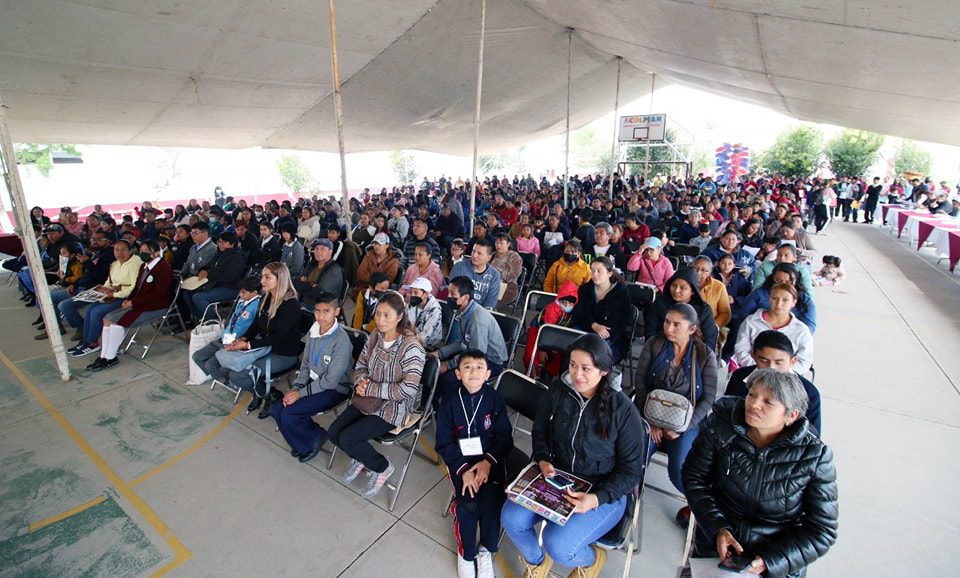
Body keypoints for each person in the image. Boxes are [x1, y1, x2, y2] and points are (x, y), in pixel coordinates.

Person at [502, 335, 646, 578]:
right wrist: (543, 458)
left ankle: (591, 561)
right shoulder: (560, 390)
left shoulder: (622, 411)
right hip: (559, 478)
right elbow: (540, 431)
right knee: (511, 518)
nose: (577, 374)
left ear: (603, 370)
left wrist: (596, 499)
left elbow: (631, 472)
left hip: (603, 491)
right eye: (572, 364)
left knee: (557, 545)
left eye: (586, 368)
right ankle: (537, 562)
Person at [682, 369, 838, 577]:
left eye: (768, 402)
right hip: (718, 549)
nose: (754, 404)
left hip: (778, 560)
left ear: (791, 415)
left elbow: (822, 530)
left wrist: (770, 561)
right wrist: (718, 528)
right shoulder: (721, 427)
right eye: (752, 395)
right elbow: (694, 477)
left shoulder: (814, 456)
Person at [328, 291, 426, 498]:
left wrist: (370, 387)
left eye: (386, 315)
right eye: (377, 314)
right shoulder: (375, 336)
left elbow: (407, 389)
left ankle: (382, 467)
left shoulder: (411, 348)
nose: (380, 320)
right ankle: (362, 458)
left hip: (392, 409)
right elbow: (362, 364)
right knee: (334, 433)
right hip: (367, 400)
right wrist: (360, 383)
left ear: (400, 316)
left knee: (348, 438)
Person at [633, 303, 718, 527]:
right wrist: (650, 423)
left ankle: (702, 506)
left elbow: (708, 398)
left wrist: (683, 427)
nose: (669, 328)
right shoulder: (655, 344)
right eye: (666, 322)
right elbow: (640, 385)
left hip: (686, 423)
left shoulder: (704, 354)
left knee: (679, 469)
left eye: (676, 324)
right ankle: (627, 504)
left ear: (692, 329)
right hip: (651, 417)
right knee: (634, 460)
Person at [435, 350, 514, 578]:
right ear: (458, 374)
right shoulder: (448, 403)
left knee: (492, 503)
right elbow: (443, 443)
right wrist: (464, 472)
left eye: (480, 367)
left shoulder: (494, 399)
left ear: (488, 373)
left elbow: (505, 437)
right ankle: (466, 554)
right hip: (459, 462)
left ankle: (485, 550)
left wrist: (488, 463)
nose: (474, 372)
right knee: (468, 504)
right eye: (467, 367)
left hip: (490, 460)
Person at [272, 292, 354, 463]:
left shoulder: (341, 341)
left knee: (289, 414)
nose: (321, 316)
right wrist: (295, 388)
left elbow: (331, 381)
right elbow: (306, 365)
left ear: (337, 312)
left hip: (335, 389)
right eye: (317, 311)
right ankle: (304, 440)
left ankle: (315, 438)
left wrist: (300, 394)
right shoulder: (313, 331)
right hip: (314, 382)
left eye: (327, 311)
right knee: (278, 409)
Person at [215, 263, 302, 414]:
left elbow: (279, 338)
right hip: (265, 347)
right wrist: (243, 338)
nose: (262, 281)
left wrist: (248, 345)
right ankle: (262, 393)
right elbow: (257, 324)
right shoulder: (267, 298)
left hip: (283, 353)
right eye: (262, 276)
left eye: (267, 277)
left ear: (280, 279)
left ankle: (270, 395)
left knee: (237, 375)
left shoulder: (290, 305)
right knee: (230, 370)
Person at [85, 240, 174, 371]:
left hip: (156, 305)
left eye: (146, 251)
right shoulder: (145, 266)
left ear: (155, 253)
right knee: (107, 318)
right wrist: (130, 300)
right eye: (141, 251)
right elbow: (137, 288)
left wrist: (134, 302)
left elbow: (158, 294)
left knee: (116, 321)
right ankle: (104, 355)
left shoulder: (163, 268)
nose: (142, 253)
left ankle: (110, 357)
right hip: (141, 302)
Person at [725, 330, 822, 434]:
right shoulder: (739, 377)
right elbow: (725, 413)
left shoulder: (809, 392)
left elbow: (812, 434)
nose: (771, 367)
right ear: (753, 356)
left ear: (792, 361)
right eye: (764, 361)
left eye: (778, 362)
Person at [435, 277, 508, 404]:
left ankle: (450, 413)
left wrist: (449, 365)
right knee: (433, 365)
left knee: (449, 379)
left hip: (490, 361)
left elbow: (477, 355)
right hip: (472, 351)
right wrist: (439, 354)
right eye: (448, 293)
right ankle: (429, 409)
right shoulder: (463, 311)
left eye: (453, 294)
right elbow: (460, 342)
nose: (448, 297)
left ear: (466, 297)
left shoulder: (477, 320)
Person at [66, 239, 142, 357]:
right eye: (117, 250)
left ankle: (92, 343)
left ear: (130, 251)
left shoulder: (135, 264)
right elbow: (109, 281)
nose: (120, 253)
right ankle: (85, 341)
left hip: (124, 297)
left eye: (123, 250)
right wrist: (101, 290)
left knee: (97, 312)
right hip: (111, 295)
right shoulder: (115, 263)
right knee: (89, 309)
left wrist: (114, 294)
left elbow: (133, 287)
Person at [190, 276, 262, 385]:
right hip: (225, 337)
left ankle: (227, 380)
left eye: (244, 292)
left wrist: (237, 341)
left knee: (210, 365)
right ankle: (219, 377)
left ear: (254, 293)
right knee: (197, 357)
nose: (240, 294)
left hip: (236, 342)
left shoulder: (257, 306)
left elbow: (251, 329)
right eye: (240, 291)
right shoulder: (242, 301)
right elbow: (233, 319)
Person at [734, 283, 814, 374]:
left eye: (785, 300)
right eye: (774, 298)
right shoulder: (751, 322)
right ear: (769, 298)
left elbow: (804, 361)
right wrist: (760, 369)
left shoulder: (801, 330)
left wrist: (780, 374)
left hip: (786, 378)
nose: (779, 304)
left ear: (794, 302)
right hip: (753, 373)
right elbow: (741, 350)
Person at [570, 257, 632, 363]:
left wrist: (601, 331)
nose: (594, 274)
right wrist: (594, 325)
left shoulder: (621, 293)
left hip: (611, 336)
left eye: (599, 271)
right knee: (571, 353)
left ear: (609, 273)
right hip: (585, 330)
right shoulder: (585, 288)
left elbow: (620, 321)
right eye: (592, 270)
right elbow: (579, 312)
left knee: (594, 359)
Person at [644, 268, 719, 351]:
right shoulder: (660, 303)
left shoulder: (703, 309)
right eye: (674, 285)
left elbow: (709, 340)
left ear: (693, 291)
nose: (676, 290)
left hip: (692, 352)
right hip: (661, 347)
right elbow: (650, 331)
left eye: (683, 288)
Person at [738, 263, 817, 333]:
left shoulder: (805, 300)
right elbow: (743, 317)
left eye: (788, 282)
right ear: (773, 278)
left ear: (796, 281)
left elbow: (810, 327)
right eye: (779, 280)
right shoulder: (759, 294)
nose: (783, 285)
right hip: (758, 334)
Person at [523, 281, 579, 379]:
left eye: (570, 303)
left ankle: (549, 372)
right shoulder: (552, 310)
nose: (567, 305)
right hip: (538, 330)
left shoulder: (573, 313)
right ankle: (532, 374)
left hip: (559, 334)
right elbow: (547, 330)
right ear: (559, 300)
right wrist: (543, 350)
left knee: (560, 355)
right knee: (531, 354)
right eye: (564, 302)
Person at [188, 231, 246, 323]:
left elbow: (228, 277)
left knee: (198, 297)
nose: (220, 244)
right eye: (219, 242)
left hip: (231, 287)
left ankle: (213, 321)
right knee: (188, 293)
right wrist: (203, 270)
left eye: (224, 242)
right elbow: (209, 266)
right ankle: (200, 318)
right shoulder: (220, 254)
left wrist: (209, 273)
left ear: (232, 243)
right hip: (216, 284)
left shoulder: (237, 257)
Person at [451, 237, 502, 309]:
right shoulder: (459, 268)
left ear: (488, 257)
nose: (474, 255)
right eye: (473, 251)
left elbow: (490, 303)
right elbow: (454, 295)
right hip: (459, 309)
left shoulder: (494, 276)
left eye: (479, 253)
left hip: (481, 314)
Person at [296, 239, 346, 307]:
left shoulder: (334, 271)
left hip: (321, 308)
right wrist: (311, 285)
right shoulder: (312, 265)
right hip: (304, 302)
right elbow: (296, 283)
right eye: (316, 249)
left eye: (322, 249)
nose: (318, 252)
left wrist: (305, 284)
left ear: (330, 252)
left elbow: (318, 294)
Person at [691, 256, 732, 329]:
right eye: (695, 268)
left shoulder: (719, 287)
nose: (698, 273)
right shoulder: (684, 282)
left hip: (709, 328)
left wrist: (711, 328)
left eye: (703, 270)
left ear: (710, 272)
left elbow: (725, 313)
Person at [404, 277, 443, 351]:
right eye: (411, 292)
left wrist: (410, 331)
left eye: (416, 293)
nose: (412, 295)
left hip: (428, 347)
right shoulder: (413, 303)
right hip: (410, 337)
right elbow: (404, 322)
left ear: (426, 294)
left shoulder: (435, 310)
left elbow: (424, 338)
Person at [491, 233, 523, 309]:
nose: (498, 245)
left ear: (508, 244)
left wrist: (498, 275)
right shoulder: (492, 255)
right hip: (491, 284)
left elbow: (513, 275)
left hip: (508, 287)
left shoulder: (514, 257)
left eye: (501, 243)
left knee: (491, 303)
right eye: (497, 243)